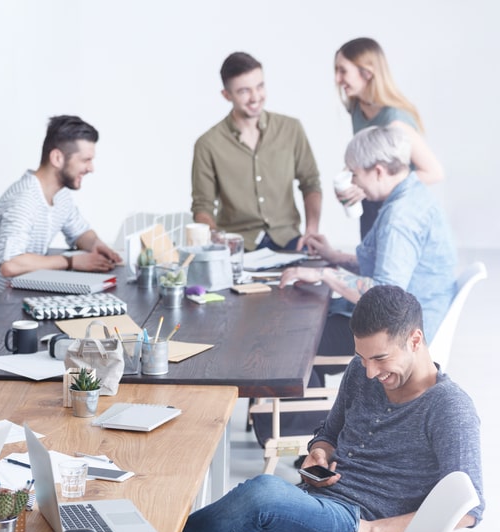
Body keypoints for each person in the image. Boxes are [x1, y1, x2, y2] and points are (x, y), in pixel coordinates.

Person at [181, 285, 484, 532]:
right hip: (317, 504)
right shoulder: (360, 371)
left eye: (380, 358)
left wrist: (374, 531)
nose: (369, 372)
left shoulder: (449, 408)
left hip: (357, 523)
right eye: (362, 358)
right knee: (243, 522)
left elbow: (471, 509)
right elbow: (327, 434)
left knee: (262, 494)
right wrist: (319, 454)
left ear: (415, 340)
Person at [280, 125, 456, 358]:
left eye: (354, 173)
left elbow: (386, 295)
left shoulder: (399, 218)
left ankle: (309, 392)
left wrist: (324, 275)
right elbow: (385, 264)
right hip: (413, 317)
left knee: (295, 336)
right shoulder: (413, 193)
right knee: (307, 326)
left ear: (379, 171)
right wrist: (333, 257)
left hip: (401, 333)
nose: (353, 182)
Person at [0, 115, 122, 321]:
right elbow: (10, 264)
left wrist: (97, 246)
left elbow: (81, 232)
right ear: (57, 158)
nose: (91, 168)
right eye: (85, 160)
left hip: (18, 302)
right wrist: (71, 261)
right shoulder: (23, 199)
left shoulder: (60, 195)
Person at [191, 51, 322, 252]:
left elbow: (311, 182)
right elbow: (203, 207)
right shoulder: (208, 144)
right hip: (239, 245)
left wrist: (311, 230)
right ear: (226, 95)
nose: (255, 97)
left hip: (290, 240)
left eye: (260, 86)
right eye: (244, 91)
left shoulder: (291, 129)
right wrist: (219, 244)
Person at [334, 37, 444, 239]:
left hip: (397, 212)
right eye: (336, 71)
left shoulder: (395, 120)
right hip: (372, 207)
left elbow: (434, 172)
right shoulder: (358, 109)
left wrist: (373, 186)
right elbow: (365, 158)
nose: (337, 79)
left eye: (343, 71)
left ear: (367, 72)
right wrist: (350, 182)